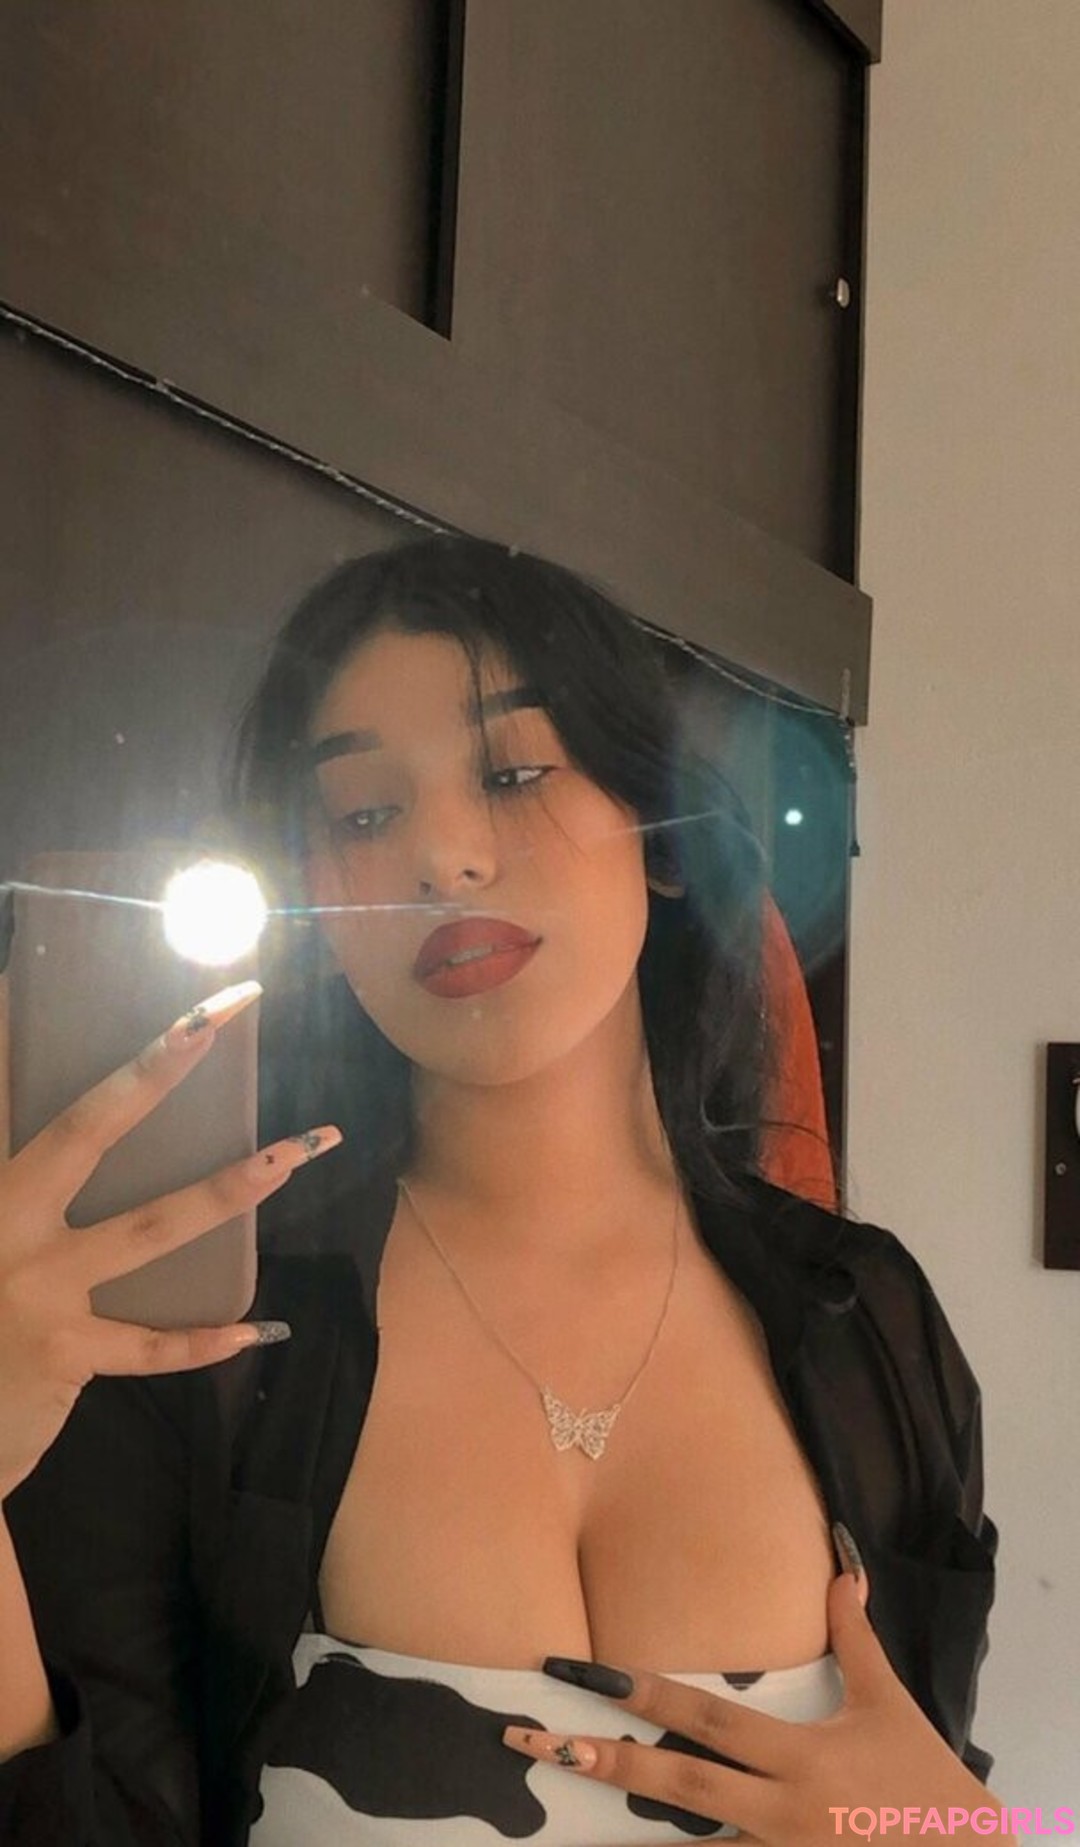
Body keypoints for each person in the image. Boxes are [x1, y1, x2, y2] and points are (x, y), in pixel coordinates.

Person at [0, 536, 1002, 1845]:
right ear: (316, 902)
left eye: (514, 773)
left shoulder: (870, 1322)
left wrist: (975, 1835)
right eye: (364, 816)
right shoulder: (201, 1334)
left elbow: (962, 1802)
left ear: (660, 839)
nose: (444, 858)